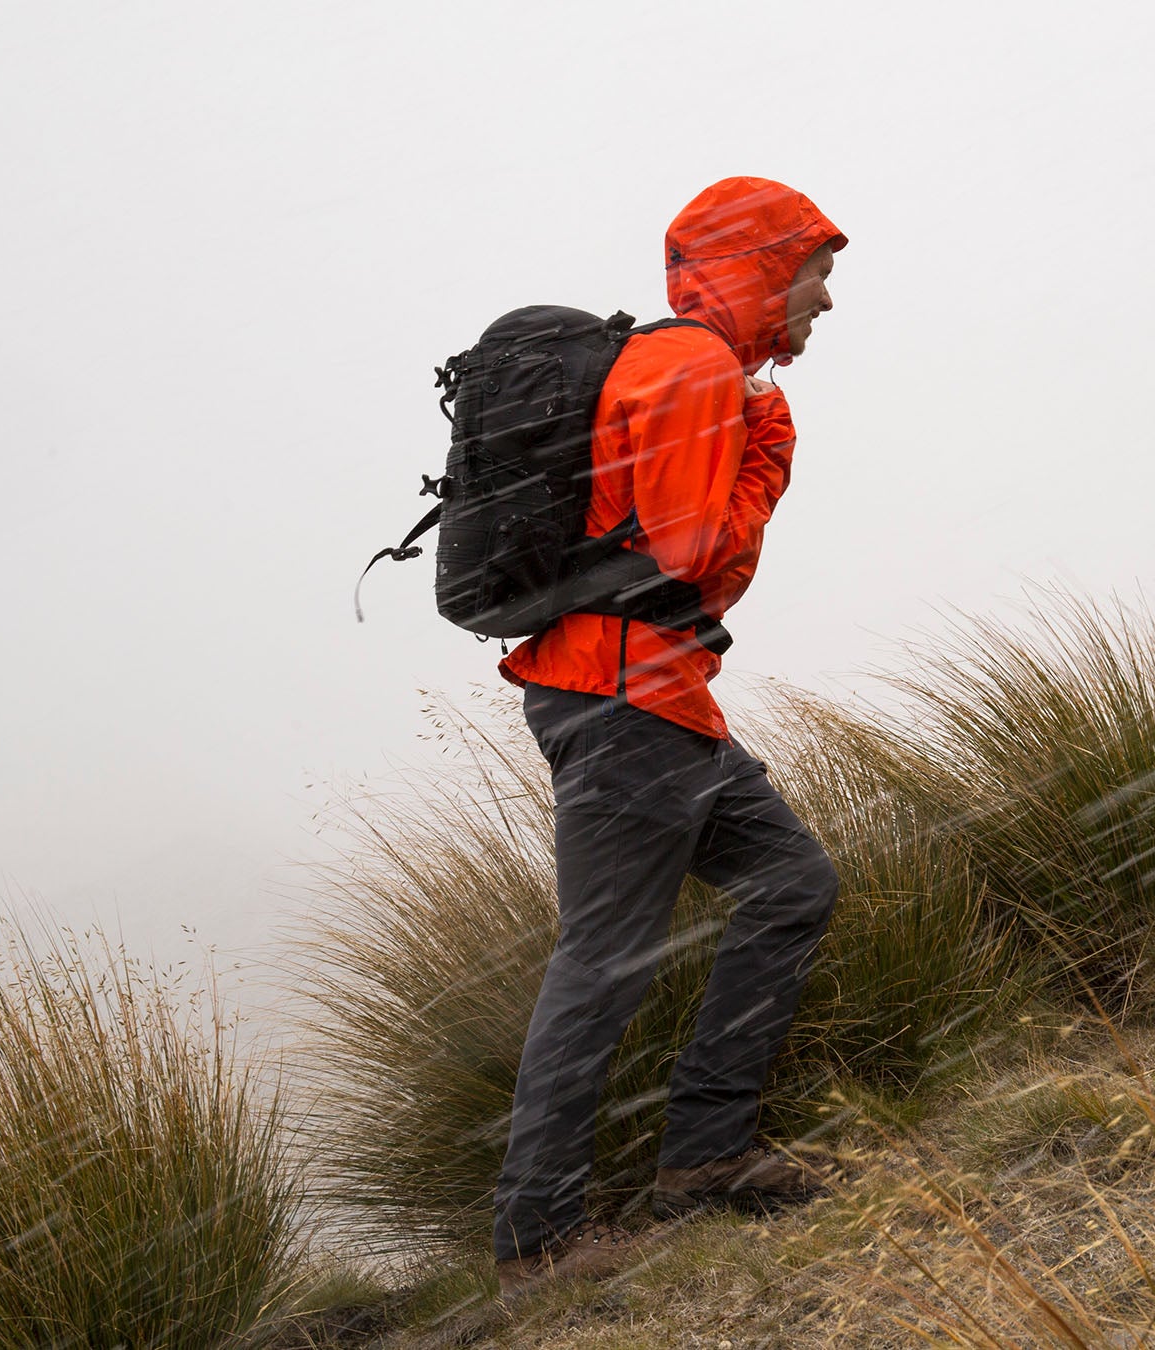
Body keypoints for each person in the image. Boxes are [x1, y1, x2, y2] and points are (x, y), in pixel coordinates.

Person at [488, 176, 845, 1297]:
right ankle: (536, 1245)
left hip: (655, 699)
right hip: (624, 701)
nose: (825, 303)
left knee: (792, 884)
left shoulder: (689, 367)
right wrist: (765, 462)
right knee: (602, 964)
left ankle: (704, 1154)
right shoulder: (692, 369)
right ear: (762, 269)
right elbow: (693, 557)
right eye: (814, 276)